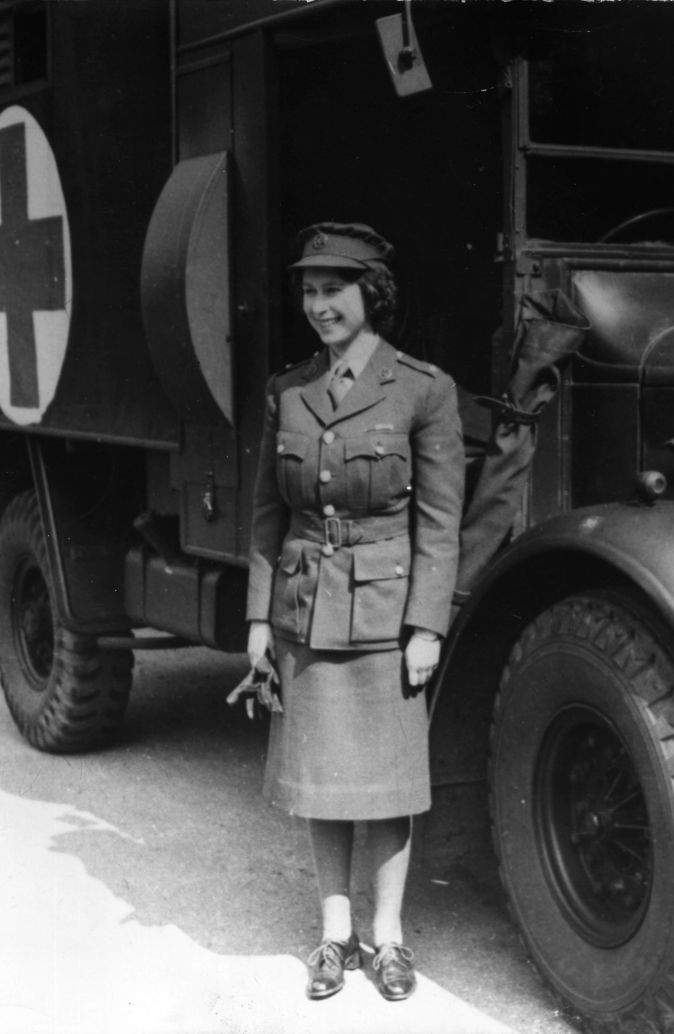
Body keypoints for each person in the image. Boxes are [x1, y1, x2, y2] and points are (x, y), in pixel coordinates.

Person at [244, 222, 465, 1002]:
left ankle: (390, 939)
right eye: (308, 291)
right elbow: (268, 512)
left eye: (334, 289)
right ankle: (334, 936)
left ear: (371, 294)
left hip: (384, 609)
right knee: (320, 779)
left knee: (389, 786)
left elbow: (439, 522)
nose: (319, 305)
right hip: (305, 607)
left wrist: (427, 626)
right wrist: (258, 620)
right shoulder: (287, 391)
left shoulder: (422, 389)